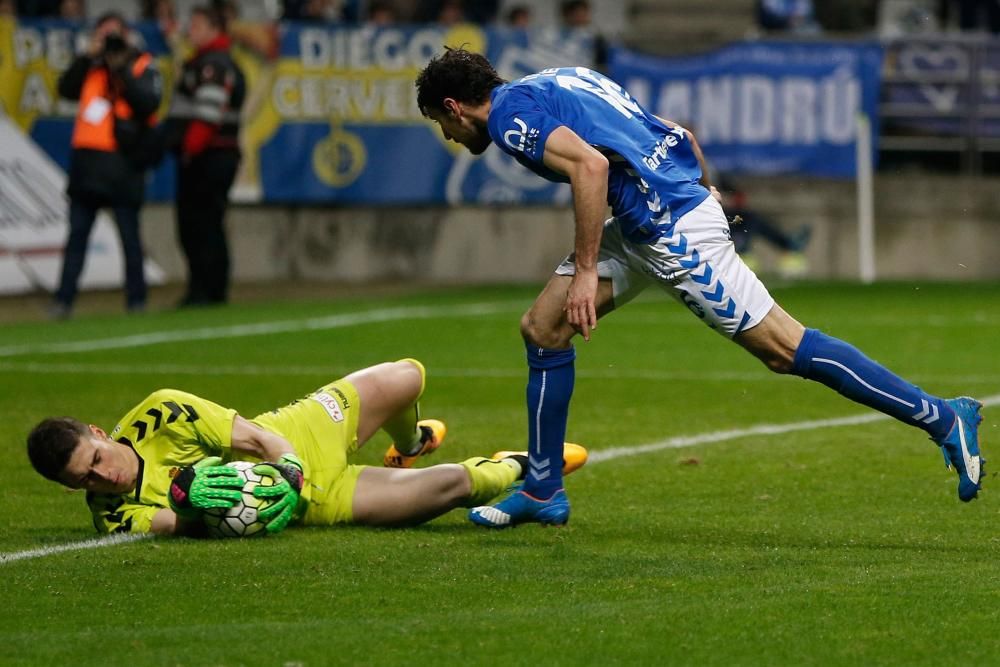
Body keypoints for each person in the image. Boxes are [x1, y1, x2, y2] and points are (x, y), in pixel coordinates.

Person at [414, 48, 985, 528]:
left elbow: (590, 169)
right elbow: (676, 133)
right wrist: (705, 188)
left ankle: (940, 416)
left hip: (669, 231)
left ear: (454, 107)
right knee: (544, 328)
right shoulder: (558, 79)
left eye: (441, 126)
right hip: (653, 217)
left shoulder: (511, 121)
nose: (449, 136)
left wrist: (587, 269)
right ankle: (543, 488)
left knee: (784, 348)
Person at [25, 358, 589, 536]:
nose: (102, 480)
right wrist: (195, 502)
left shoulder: (160, 411)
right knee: (453, 489)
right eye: (84, 482)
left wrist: (287, 461)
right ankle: (515, 465)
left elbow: (254, 436)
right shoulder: (114, 516)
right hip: (314, 501)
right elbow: (183, 528)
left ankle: (411, 441)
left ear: (99, 433)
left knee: (408, 376)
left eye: (95, 462)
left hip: (298, 433)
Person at [51, 11, 162, 319]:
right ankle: (63, 300)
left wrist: (122, 68)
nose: (110, 42)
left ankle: (136, 301)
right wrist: (89, 56)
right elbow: (65, 89)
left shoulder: (141, 65)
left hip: (123, 166)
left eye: (115, 35)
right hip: (87, 166)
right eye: (104, 35)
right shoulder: (91, 67)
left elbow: (148, 103)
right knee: (77, 237)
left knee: (130, 238)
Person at [168, 4, 245, 307]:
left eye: (198, 26)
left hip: (209, 156)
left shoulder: (213, 65)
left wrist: (188, 150)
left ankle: (204, 290)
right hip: (216, 155)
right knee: (209, 223)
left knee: (198, 224)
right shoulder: (211, 62)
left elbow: (207, 115)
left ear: (215, 29)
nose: (191, 31)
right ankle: (211, 288)